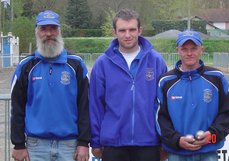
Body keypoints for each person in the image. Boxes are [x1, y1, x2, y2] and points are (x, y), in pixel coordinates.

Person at [10, 10, 90, 161]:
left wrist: (84, 142)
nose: (48, 33)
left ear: (59, 31)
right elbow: (16, 108)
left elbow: (85, 106)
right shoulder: (26, 66)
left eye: (53, 28)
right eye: (43, 29)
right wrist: (18, 144)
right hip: (35, 147)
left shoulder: (76, 64)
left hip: (70, 146)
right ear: (37, 32)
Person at [89, 8, 167, 161]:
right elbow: (95, 106)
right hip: (113, 144)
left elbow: (165, 106)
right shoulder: (102, 64)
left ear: (140, 30)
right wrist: (96, 141)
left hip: (149, 143)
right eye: (122, 30)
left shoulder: (156, 61)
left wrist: (165, 141)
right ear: (114, 32)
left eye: (132, 29)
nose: (127, 35)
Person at [156, 30, 229, 161]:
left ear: (201, 49)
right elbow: (160, 118)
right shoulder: (165, 81)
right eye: (184, 49)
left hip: (208, 152)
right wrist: (176, 140)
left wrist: (212, 135)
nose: (189, 53)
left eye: (194, 48)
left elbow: (227, 112)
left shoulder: (216, 77)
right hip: (177, 153)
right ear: (178, 50)